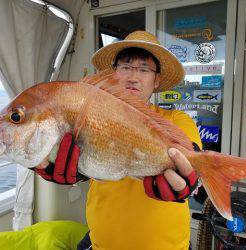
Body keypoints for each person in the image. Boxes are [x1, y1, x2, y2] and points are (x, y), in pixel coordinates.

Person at [34, 31, 202, 250]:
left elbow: (193, 157)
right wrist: (55, 165)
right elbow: (86, 163)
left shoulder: (177, 119)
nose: (133, 77)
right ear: (114, 73)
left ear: (157, 80)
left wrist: (188, 179)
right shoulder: (94, 115)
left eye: (144, 69)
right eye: (125, 67)